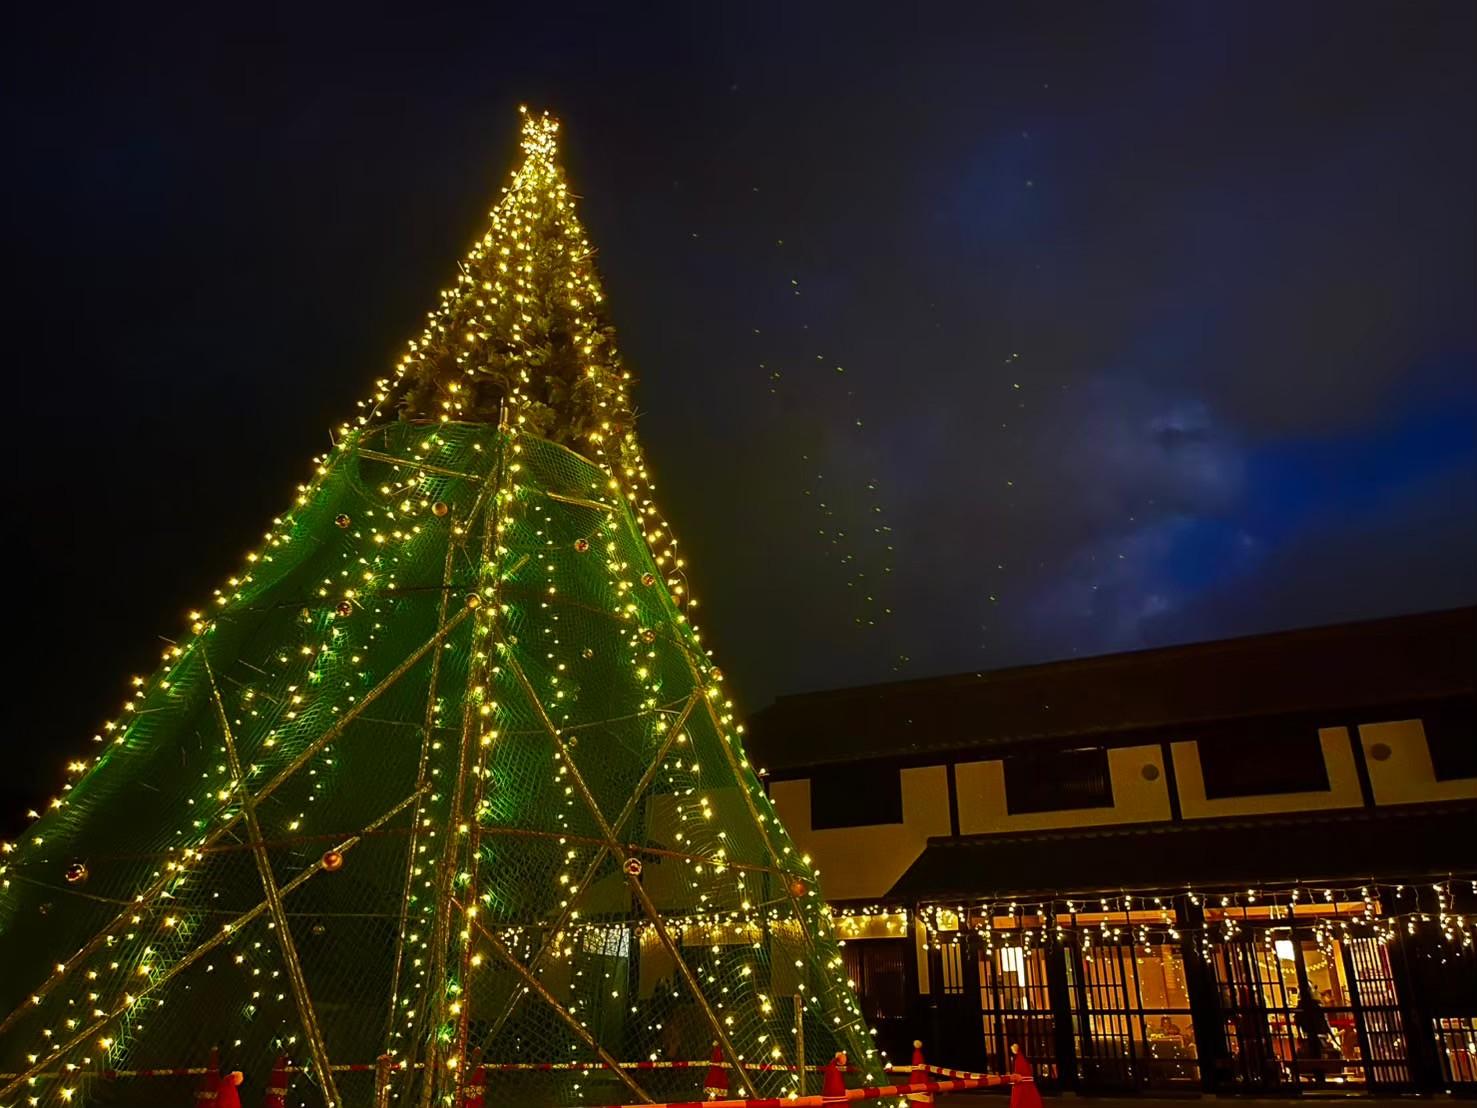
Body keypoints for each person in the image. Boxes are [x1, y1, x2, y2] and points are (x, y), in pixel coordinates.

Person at [1009, 1044, 1042, 1108]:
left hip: (1022, 1084)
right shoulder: (1022, 1059)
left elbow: (1019, 1072)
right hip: (1027, 1084)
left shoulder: (1019, 1059)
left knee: (1021, 1101)